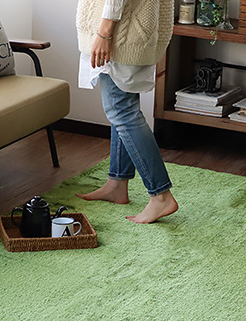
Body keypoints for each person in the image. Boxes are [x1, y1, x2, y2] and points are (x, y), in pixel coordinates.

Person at [75, 0, 178, 223]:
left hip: (118, 31)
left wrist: (104, 32)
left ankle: (161, 195)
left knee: (122, 111)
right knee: (122, 107)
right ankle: (117, 184)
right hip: (127, 28)